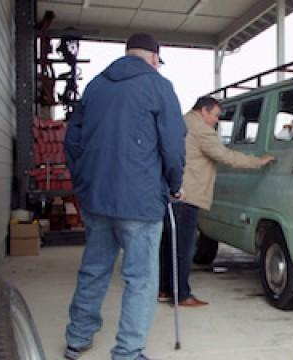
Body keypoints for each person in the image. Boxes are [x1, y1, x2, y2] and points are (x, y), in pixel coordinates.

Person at [63, 33, 186, 360]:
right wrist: (175, 184)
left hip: (97, 199)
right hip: (141, 202)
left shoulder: (95, 86)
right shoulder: (159, 86)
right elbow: (173, 147)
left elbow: (71, 142)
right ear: (154, 58)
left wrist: (84, 184)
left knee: (94, 268)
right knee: (141, 279)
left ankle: (77, 339)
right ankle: (128, 353)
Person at [158, 96, 275, 307]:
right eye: (215, 115)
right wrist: (258, 162)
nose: (217, 121)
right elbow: (226, 156)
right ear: (204, 111)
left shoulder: (181, 121)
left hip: (172, 193)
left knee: (168, 244)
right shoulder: (201, 130)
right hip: (189, 195)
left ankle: (165, 289)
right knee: (183, 249)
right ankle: (182, 294)